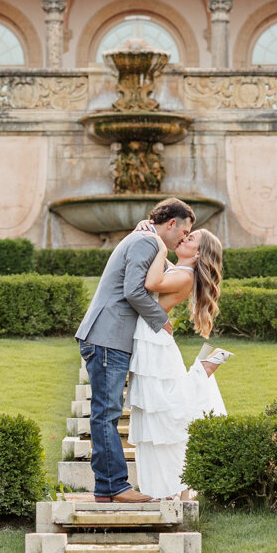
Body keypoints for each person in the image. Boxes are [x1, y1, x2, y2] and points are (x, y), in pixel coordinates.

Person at [74, 198, 193, 502]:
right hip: (107, 337)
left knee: (107, 411)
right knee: (106, 413)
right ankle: (113, 487)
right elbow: (133, 290)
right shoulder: (147, 241)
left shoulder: (147, 240)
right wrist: (160, 320)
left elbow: (159, 275)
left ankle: (109, 487)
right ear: (171, 224)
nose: (183, 238)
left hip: (110, 337)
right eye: (184, 232)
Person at [126, 224, 228, 499]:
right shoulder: (180, 269)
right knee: (155, 411)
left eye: (190, 238)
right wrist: (146, 232)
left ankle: (204, 370)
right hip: (150, 337)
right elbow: (159, 269)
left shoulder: (186, 276)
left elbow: (151, 283)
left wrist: (159, 245)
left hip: (154, 342)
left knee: (166, 410)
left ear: (198, 253)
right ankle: (168, 487)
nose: (184, 237)